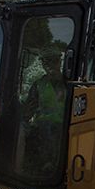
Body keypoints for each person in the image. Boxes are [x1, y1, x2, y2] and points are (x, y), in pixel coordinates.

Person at [20, 46, 67, 178]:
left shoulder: (69, 84)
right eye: (46, 62)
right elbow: (28, 110)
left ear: (59, 62)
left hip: (65, 129)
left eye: (53, 61)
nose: (49, 65)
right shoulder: (39, 85)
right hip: (42, 129)